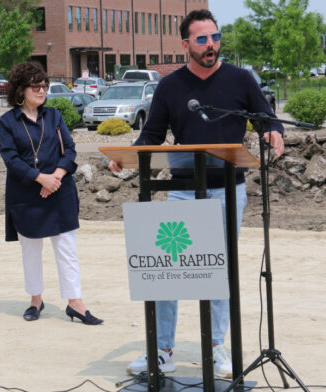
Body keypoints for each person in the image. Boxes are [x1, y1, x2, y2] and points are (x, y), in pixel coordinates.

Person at [108, 10, 284, 378]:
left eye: (215, 37)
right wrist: (126, 156)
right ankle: (162, 350)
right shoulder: (170, 87)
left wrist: (273, 133)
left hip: (227, 191)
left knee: (219, 270)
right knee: (166, 270)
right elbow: (152, 135)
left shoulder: (240, 79)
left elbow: (266, 117)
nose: (211, 46)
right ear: (185, 44)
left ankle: (219, 347)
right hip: (182, 192)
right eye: (202, 39)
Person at [0, 62, 103, 325]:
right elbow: (10, 158)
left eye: (44, 85)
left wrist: (55, 177)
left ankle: (75, 304)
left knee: (67, 249)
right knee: (31, 250)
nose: (42, 90)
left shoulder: (54, 116)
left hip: (59, 190)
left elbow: (70, 150)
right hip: (25, 194)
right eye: (36, 86)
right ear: (21, 89)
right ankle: (36, 300)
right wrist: (40, 178)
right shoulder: (8, 121)